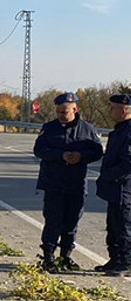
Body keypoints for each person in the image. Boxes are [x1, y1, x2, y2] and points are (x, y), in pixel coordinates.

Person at [33, 92, 103, 272]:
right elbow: (39, 150)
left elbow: (97, 152)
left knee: (72, 221)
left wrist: (81, 156)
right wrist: (60, 155)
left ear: (74, 109)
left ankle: (65, 256)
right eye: (58, 112)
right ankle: (48, 256)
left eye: (64, 112)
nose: (60, 115)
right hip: (53, 183)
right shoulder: (49, 128)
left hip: (76, 184)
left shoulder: (87, 129)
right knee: (53, 220)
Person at [95, 93, 131, 275]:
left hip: (124, 187)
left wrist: (108, 175)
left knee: (124, 225)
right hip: (115, 188)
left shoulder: (129, 131)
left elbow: (128, 162)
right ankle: (115, 258)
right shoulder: (120, 130)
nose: (109, 111)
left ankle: (126, 262)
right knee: (113, 225)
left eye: (112, 107)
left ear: (124, 110)